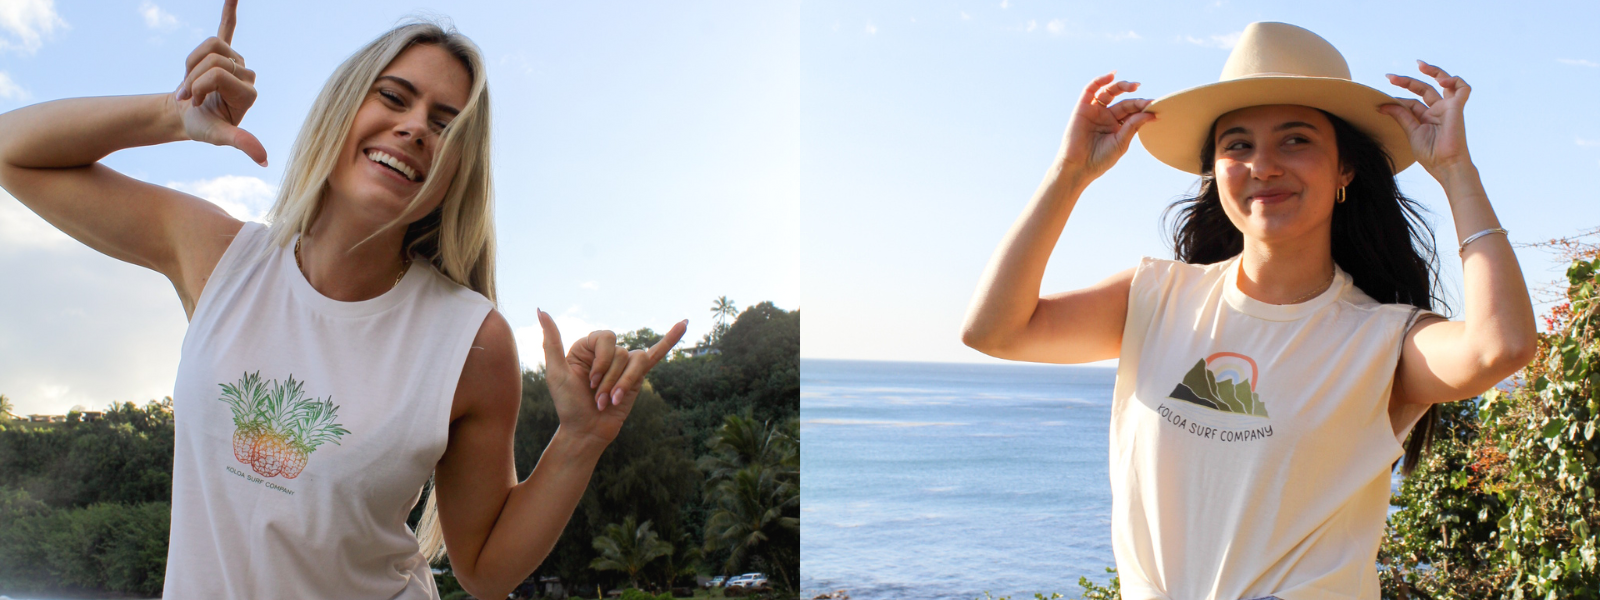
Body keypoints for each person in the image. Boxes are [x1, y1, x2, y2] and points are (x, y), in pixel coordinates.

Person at [0, 2, 686, 598]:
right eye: (394, 97)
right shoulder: (218, 255)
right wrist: (171, 115)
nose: (417, 127)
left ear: (454, 173)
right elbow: (12, 150)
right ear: (343, 108)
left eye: (446, 124)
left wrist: (579, 441)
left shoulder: (471, 339)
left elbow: (482, 570)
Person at [961, 22, 1535, 600]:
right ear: (1215, 172)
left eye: (1296, 140)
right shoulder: (1155, 296)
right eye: (1238, 145)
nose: (1263, 166)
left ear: (1345, 169)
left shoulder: (1383, 337)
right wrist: (1069, 174)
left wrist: (1458, 171)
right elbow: (994, 331)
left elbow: (1500, 346)